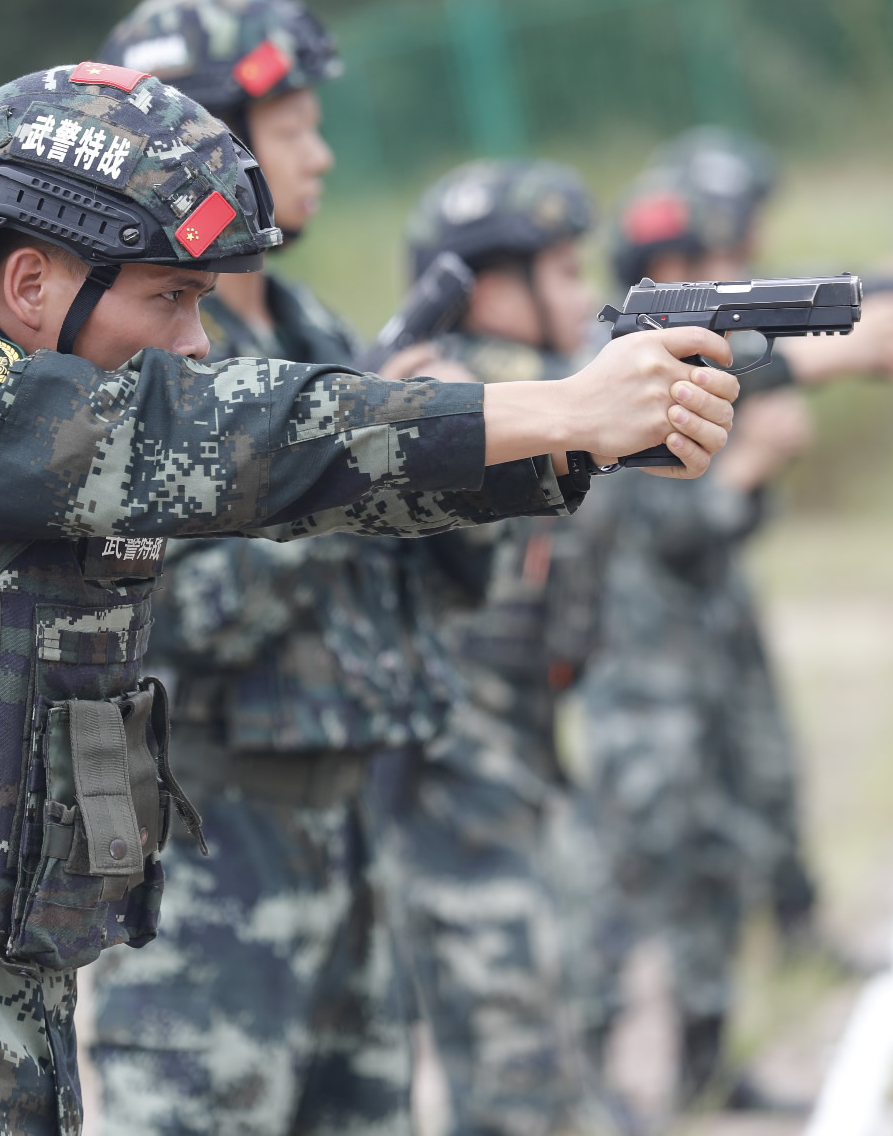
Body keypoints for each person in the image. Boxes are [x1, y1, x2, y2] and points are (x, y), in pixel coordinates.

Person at [0, 63, 740, 1136]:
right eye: (169, 298)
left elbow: (282, 491)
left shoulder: (2, 424)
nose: (195, 341)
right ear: (34, 281)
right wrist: (555, 404)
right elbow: (212, 434)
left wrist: (566, 440)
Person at [83, 0, 485, 1135]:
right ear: (206, 135)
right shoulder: (136, 362)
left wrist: (446, 455)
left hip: (347, 834)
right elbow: (169, 613)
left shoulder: (309, 334)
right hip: (209, 856)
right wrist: (356, 470)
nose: (322, 155)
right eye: (295, 128)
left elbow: (447, 589)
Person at [567, 128, 893, 1114]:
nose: (737, 277)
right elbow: (677, 524)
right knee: (631, 872)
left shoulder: (667, 363)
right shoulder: (614, 368)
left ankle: (702, 1058)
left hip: (699, 659)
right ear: (666, 270)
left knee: (717, 861)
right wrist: (757, 459)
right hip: (640, 677)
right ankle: (589, 1070)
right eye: (716, 264)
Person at [379, 157, 635, 1136]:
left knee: (539, 1052)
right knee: (510, 1073)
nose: (583, 295)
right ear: (488, 284)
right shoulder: (461, 392)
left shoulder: (526, 391)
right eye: (564, 272)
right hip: (450, 786)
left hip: (510, 771)